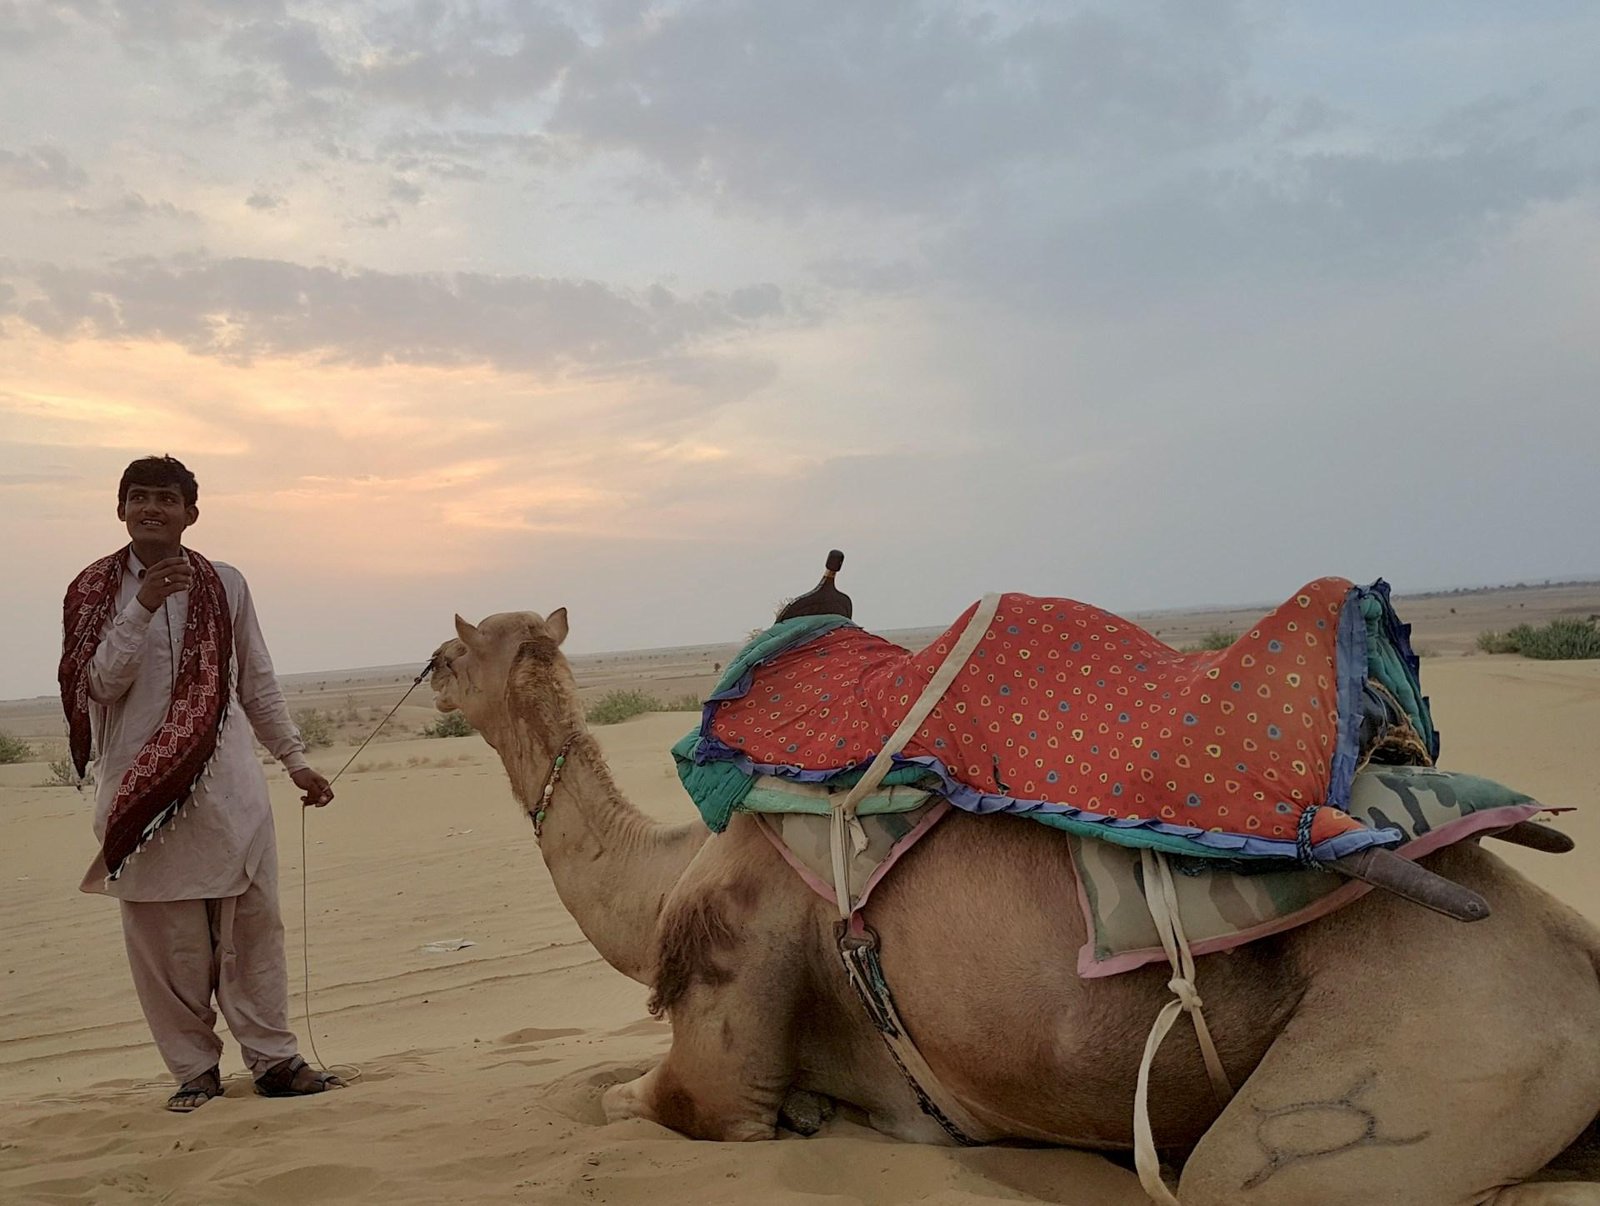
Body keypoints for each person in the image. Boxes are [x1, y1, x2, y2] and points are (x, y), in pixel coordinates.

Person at [58, 455, 344, 1111]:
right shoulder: (93, 591)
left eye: (164, 498)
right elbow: (99, 683)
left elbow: (257, 681)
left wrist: (295, 760)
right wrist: (144, 603)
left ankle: (275, 1062)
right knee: (169, 947)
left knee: (253, 934)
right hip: (141, 795)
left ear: (191, 513)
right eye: (137, 497)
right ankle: (194, 1072)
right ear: (120, 510)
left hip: (229, 791)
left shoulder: (227, 584)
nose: (150, 508)